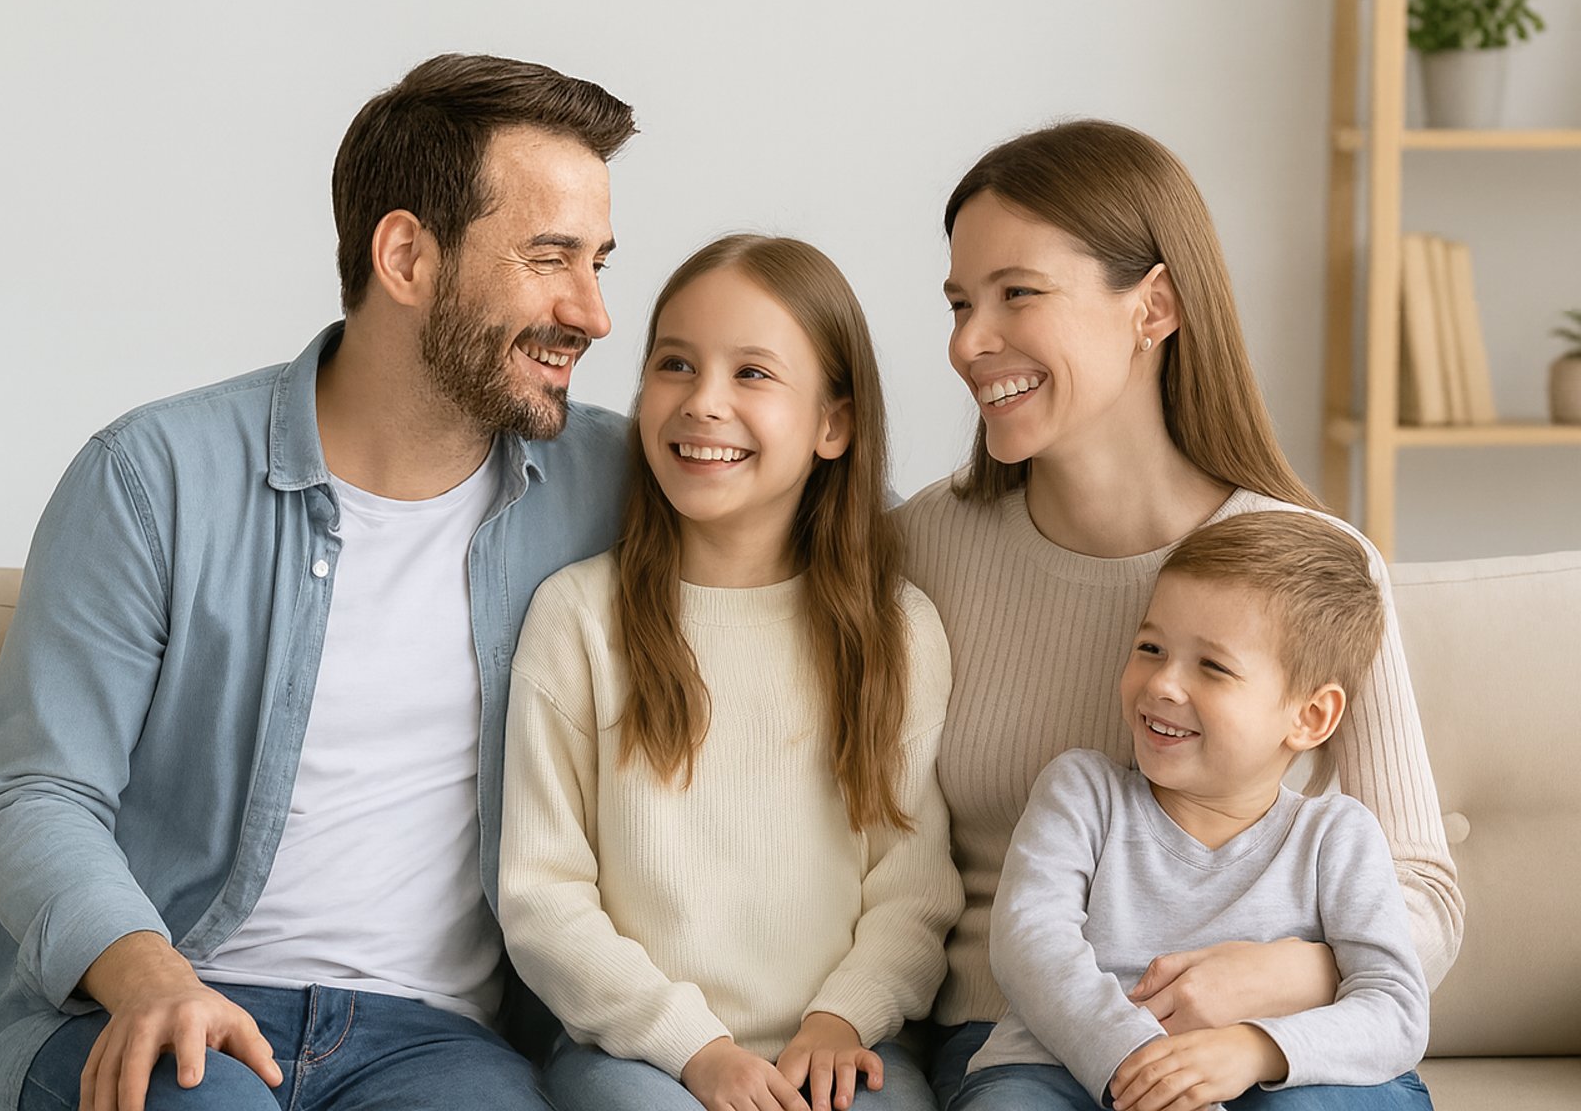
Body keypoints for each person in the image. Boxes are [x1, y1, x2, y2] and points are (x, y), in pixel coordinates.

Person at [0, 53, 638, 1111]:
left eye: (598, 262)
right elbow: (36, 792)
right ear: (405, 255)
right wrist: (151, 978)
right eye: (550, 257)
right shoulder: (154, 477)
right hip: (160, 999)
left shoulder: (617, 485)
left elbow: (817, 541)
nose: (591, 314)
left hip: (438, 1046)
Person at [895, 119, 1462, 1104]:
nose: (967, 343)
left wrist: (1282, 974)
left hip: (1271, 1036)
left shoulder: (1314, 566)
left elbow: (1424, 895)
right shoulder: (917, 549)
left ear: (1153, 305)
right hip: (1024, 1033)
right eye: (959, 301)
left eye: (1016, 293)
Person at [499, 235, 963, 1111]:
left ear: (835, 423)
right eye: (675, 364)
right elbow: (543, 898)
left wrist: (842, 1020)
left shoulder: (896, 629)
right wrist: (695, 1050)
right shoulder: (578, 619)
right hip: (638, 1055)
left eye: (753, 373)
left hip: (841, 1046)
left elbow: (914, 886)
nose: (702, 402)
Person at [955, 511, 1433, 1111]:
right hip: (1064, 1067)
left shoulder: (1336, 836)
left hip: (1266, 1071)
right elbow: (1030, 943)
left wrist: (1254, 1049)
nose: (1162, 685)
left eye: (1212, 666)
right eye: (1150, 648)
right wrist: (1140, 1064)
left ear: (1309, 718)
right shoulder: (1082, 792)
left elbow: (1394, 1007)